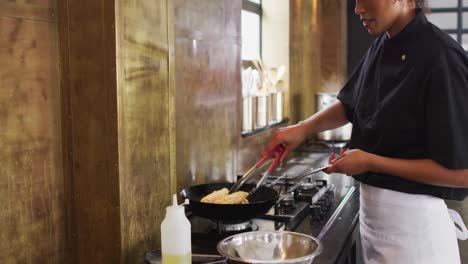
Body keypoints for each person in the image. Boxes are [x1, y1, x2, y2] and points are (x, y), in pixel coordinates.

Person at [263, 0, 468, 263]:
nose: (358, 9)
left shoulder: (442, 56)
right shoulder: (383, 44)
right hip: (373, 226)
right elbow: (350, 104)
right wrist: (304, 128)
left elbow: (462, 175)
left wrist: (370, 161)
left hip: (416, 237)